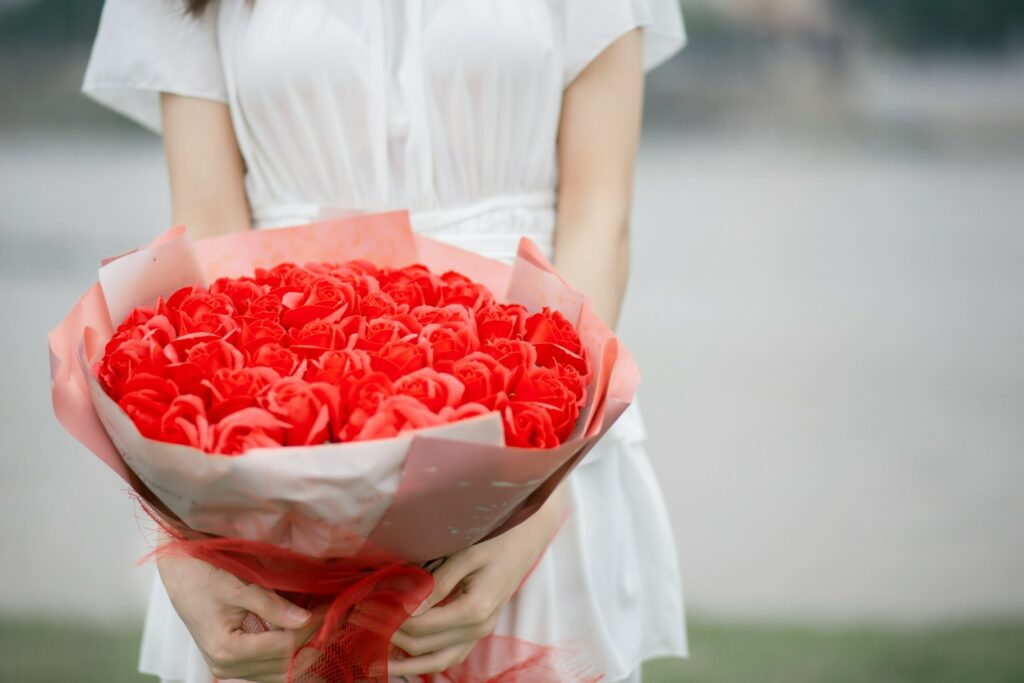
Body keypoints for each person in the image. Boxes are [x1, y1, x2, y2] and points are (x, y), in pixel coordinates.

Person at [84, 1, 687, 681]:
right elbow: (206, 241)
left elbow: (598, 218)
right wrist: (183, 535)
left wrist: (530, 505)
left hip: (537, 437)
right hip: (272, 453)